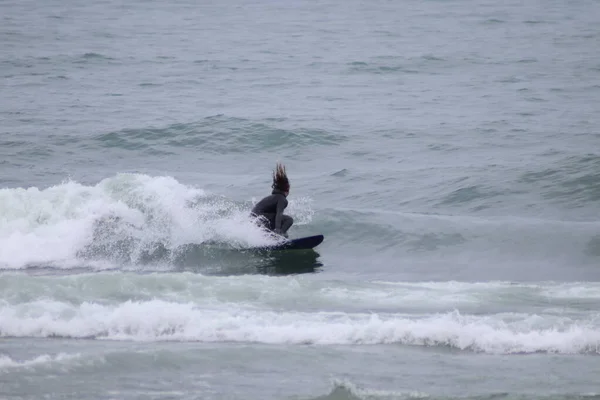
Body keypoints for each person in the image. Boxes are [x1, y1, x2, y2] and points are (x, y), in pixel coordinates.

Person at [251, 163, 294, 238]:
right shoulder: (282, 199)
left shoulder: (272, 197)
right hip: (261, 217)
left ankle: (271, 240)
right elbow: (279, 214)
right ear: (287, 190)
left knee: (284, 233)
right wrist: (277, 229)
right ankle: (277, 238)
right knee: (289, 220)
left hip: (254, 219)